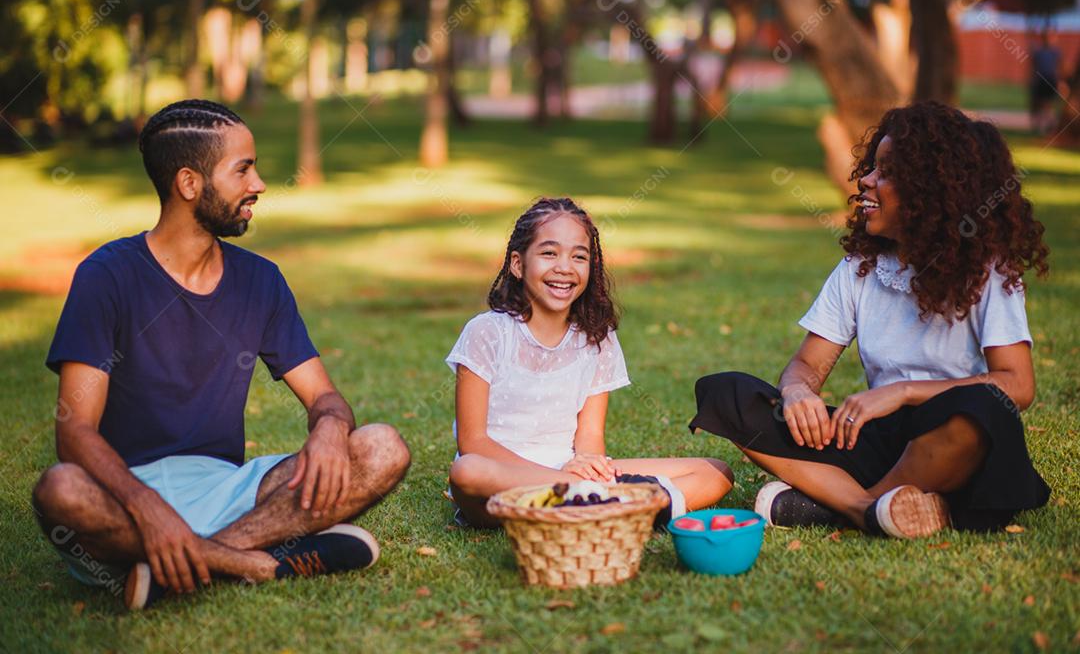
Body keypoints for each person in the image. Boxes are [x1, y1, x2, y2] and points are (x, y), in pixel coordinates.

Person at [32, 100, 411, 610]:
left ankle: (187, 563)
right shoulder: (106, 276)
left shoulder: (261, 281)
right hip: (123, 496)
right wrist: (148, 508)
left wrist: (328, 427)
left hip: (228, 490)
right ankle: (254, 561)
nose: (258, 185)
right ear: (189, 184)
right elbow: (73, 431)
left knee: (382, 447)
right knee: (60, 491)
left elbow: (324, 395)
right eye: (243, 169)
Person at [691, 102, 1051, 539]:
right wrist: (797, 391)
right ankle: (869, 510)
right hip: (874, 440)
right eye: (872, 168)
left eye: (886, 172)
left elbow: (1018, 384)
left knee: (982, 409)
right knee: (727, 392)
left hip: (956, 441)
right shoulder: (861, 268)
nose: (865, 181)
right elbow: (808, 364)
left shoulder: (988, 271)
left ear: (931, 191)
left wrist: (901, 393)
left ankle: (845, 505)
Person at [446, 197, 732, 528]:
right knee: (466, 471)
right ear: (517, 264)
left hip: (575, 475)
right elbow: (473, 442)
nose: (565, 267)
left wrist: (588, 464)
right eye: (549, 253)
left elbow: (590, 434)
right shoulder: (487, 332)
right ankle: (612, 507)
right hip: (504, 481)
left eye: (578, 256)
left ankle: (595, 507)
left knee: (715, 471)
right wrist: (561, 478)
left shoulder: (598, 338)